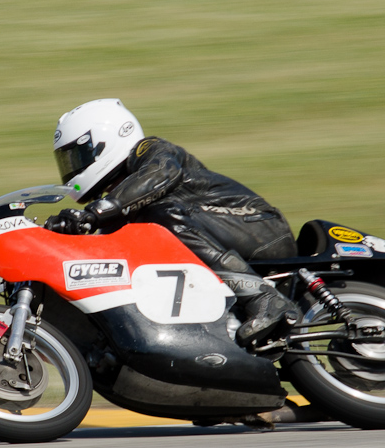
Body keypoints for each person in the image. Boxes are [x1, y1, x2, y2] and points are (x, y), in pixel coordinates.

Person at [46, 98, 299, 347]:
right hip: (231, 233)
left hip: (260, 227)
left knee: (163, 215)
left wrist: (97, 211)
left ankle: (264, 299)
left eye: (79, 155)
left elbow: (160, 174)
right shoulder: (119, 209)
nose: (74, 167)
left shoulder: (151, 151)